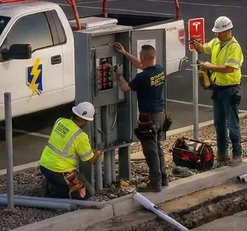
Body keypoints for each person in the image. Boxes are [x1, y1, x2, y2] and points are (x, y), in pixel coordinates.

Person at [189, 15, 244, 166]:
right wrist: (196, 44)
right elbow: (202, 49)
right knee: (219, 123)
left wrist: (210, 66)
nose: (217, 35)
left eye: (220, 33)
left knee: (232, 123)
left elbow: (229, 68)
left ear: (228, 31)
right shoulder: (216, 42)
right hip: (218, 88)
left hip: (230, 89)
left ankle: (237, 154)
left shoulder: (234, 47)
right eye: (217, 33)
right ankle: (222, 154)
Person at [113, 42, 168, 191]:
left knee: (150, 150)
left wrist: (119, 76)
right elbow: (140, 64)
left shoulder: (143, 77)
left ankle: (155, 182)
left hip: (148, 117)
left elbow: (125, 88)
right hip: (160, 115)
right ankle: (163, 177)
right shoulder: (159, 70)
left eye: (140, 57)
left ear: (143, 57)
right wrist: (124, 53)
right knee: (157, 147)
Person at [39, 102, 100, 199]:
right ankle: (55, 195)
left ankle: (53, 185)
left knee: (61, 183)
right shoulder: (80, 136)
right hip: (60, 171)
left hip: (44, 166)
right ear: (84, 120)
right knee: (87, 193)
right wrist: (97, 153)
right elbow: (90, 159)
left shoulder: (60, 121)